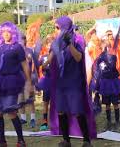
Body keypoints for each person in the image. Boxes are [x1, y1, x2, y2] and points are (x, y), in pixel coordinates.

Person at [44, 16, 96, 147]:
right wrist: (43, 64)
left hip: (74, 81)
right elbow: (50, 59)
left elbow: (79, 58)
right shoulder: (56, 41)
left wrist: (70, 44)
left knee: (78, 110)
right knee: (61, 110)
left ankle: (86, 140)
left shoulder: (78, 39)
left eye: (57, 27)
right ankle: (66, 140)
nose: (55, 30)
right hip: (61, 82)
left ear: (64, 27)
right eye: (55, 28)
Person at [0, 21, 32, 147]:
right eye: (3, 32)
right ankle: (2, 141)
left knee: (11, 112)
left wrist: (29, 81)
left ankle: (21, 140)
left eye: (8, 31)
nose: (5, 34)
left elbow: (24, 65)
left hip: (12, 81)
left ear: (13, 33)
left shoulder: (17, 47)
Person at [90, 31, 120, 132]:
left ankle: (117, 120)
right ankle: (109, 121)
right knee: (107, 104)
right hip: (105, 83)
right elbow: (97, 70)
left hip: (113, 82)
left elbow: (112, 66)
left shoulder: (112, 57)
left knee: (115, 103)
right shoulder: (99, 59)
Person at [19, 35, 37, 128]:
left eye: (23, 40)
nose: (21, 42)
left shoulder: (29, 50)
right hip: (19, 78)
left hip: (28, 79)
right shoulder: (17, 51)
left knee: (30, 100)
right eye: (20, 40)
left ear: (25, 41)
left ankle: (33, 118)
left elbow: (30, 59)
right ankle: (23, 118)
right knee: (20, 100)